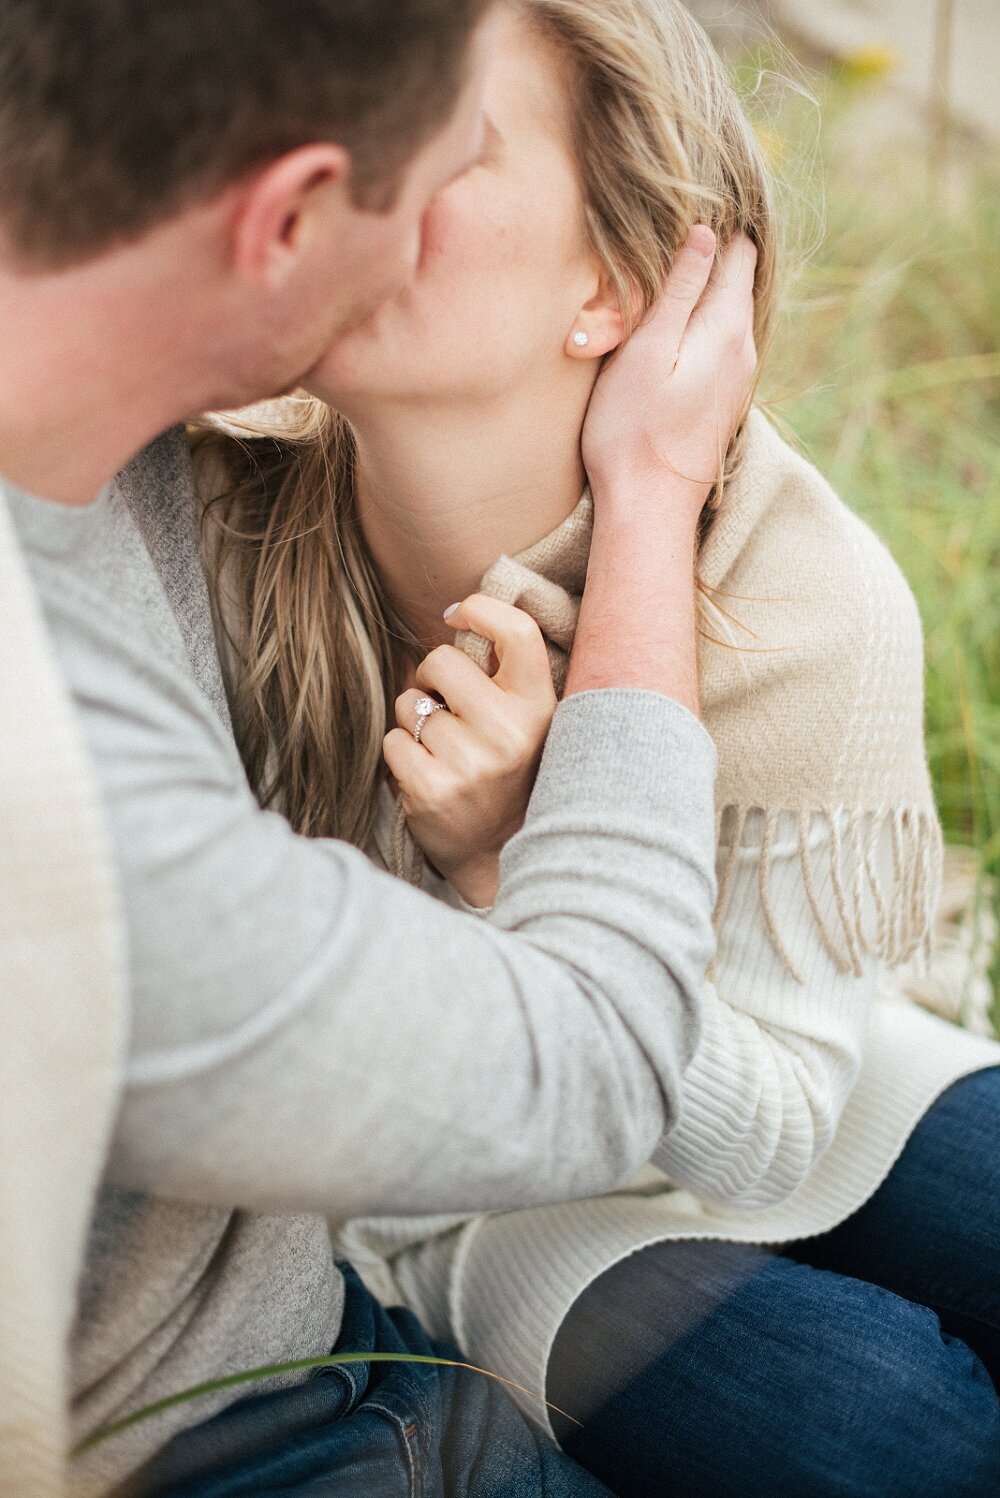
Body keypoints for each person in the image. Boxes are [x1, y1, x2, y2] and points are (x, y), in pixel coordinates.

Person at [196, 1, 1000, 1494]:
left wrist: (515, 871)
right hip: (461, 1198)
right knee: (893, 1431)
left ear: (612, 294)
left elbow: (771, 1132)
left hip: (781, 1094)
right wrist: (510, 897)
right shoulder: (217, 532)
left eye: (445, 144)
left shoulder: (803, 600)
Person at [0, 2, 762, 1495]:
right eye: (440, 154)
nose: (422, 226)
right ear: (289, 217)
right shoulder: (65, 783)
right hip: (215, 1434)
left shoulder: (109, 421)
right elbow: (593, 1060)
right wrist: (656, 491)